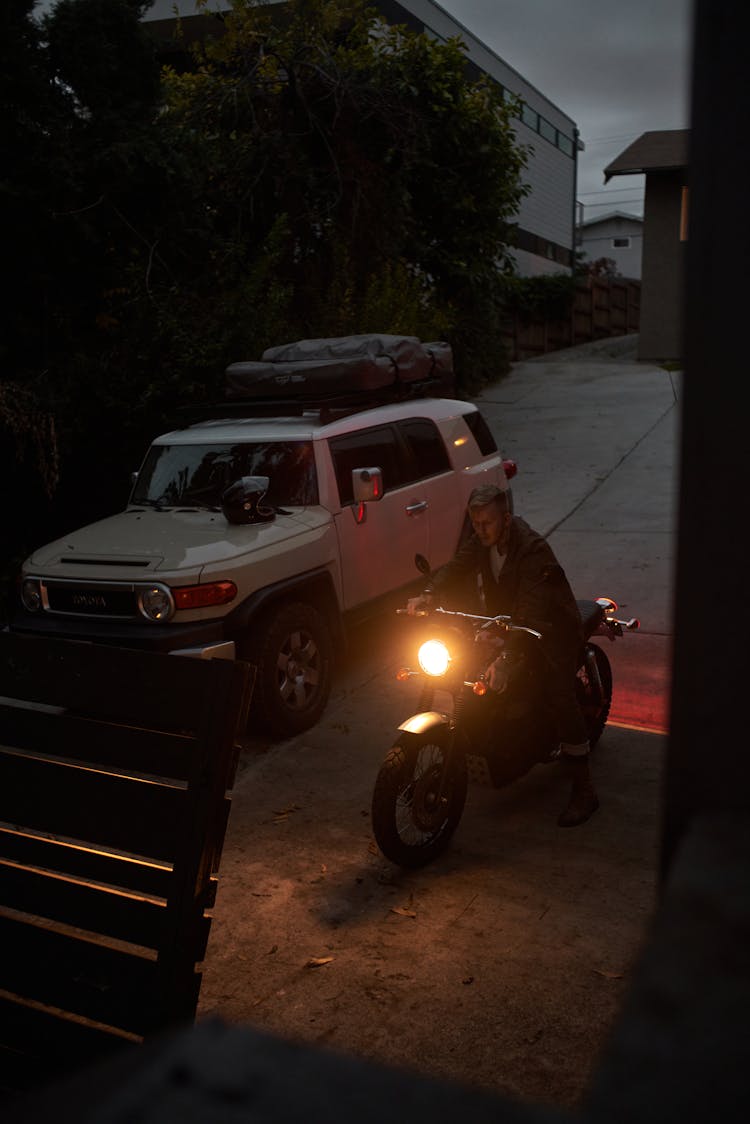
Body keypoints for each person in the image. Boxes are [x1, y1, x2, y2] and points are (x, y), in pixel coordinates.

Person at [406, 483, 598, 827]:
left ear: (506, 519)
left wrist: (507, 658)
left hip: (551, 629)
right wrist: (428, 594)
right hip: (509, 623)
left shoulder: (532, 551)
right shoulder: (482, 541)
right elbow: (456, 567)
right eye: (475, 522)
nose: (480, 530)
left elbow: (532, 612)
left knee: (558, 694)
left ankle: (584, 791)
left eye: (487, 523)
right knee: (463, 665)